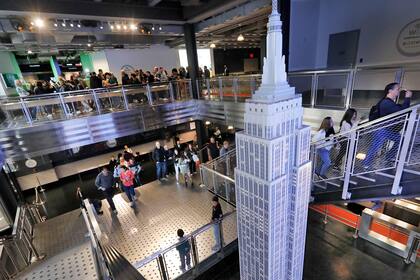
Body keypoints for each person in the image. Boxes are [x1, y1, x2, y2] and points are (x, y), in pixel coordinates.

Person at [363, 83, 413, 168]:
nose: (399, 90)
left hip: (388, 130)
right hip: (381, 129)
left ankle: (389, 157)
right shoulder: (386, 102)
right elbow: (403, 111)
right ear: (390, 91)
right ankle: (366, 164)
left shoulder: (390, 102)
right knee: (375, 146)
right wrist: (407, 98)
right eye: (397, 89)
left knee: (401, 140)